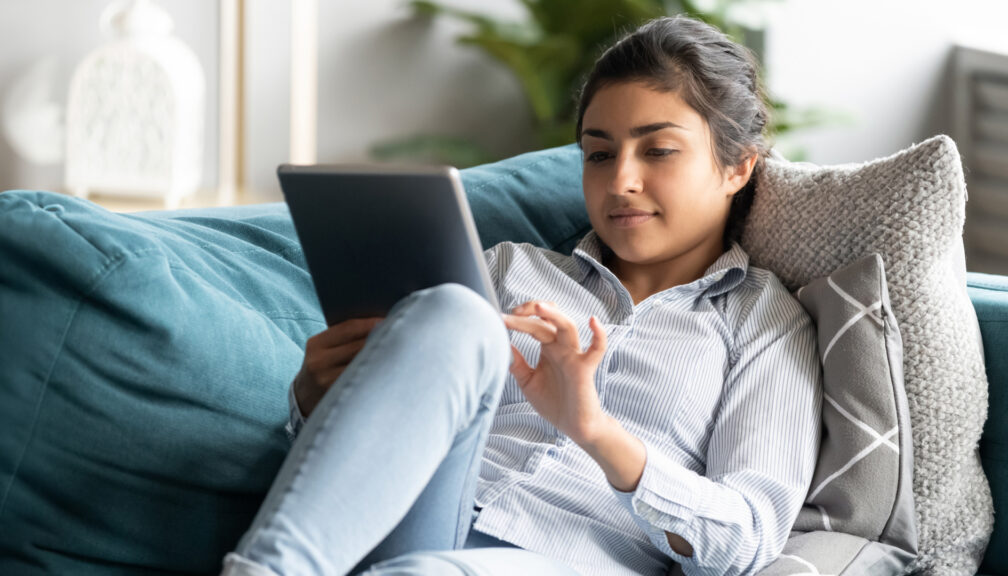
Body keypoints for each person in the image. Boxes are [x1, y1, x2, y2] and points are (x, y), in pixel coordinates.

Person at [221, 14, 822, 576]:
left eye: (658, 150)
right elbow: (356, 468)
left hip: (565, 557)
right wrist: (315, 400)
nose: (621, 181)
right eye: (599, 153)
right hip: (417, 521)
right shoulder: (509, 269)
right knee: (455, 310)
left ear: (738, 167)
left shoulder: (763, 322)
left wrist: (594, 430)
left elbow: (747, 537)